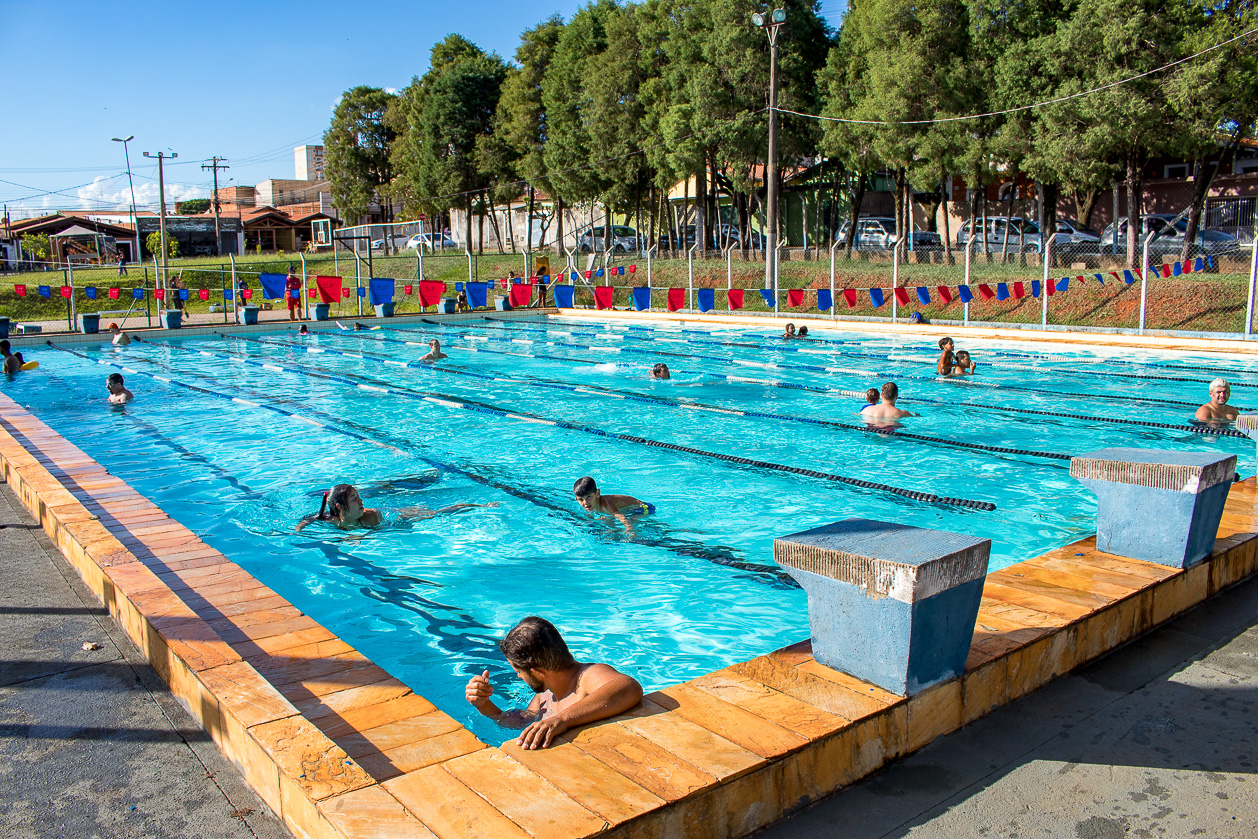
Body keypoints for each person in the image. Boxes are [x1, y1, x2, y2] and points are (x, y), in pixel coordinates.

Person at [464, 616, 643, 750]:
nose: (518, 677)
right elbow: (522, 723)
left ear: (538, 672)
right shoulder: (545, 693)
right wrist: (483, 704)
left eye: (519, 671)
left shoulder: (586, 676)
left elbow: (629, 687)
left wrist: (562, 719)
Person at [297, 482, 497, 531]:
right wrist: (298, 530)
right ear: (339, 507)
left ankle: (477, 505)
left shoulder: (369, 518)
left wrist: (354, 537)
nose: (361, 501)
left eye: (359, 497)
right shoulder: (328, 519)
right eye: (355, 499)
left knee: (436, 514)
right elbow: (308, 520)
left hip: (395, 517)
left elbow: (362, 535)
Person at [573, 476, 654, 527]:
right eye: (581, 499)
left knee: (631, 522)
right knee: (605, 519)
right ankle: (615, 531)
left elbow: (621, 516)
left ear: (597, 493)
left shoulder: (606, 504)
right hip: (629, 510)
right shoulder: (589, 505)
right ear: (576, 499)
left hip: (644, 508)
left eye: (588, 497)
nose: (585, 502)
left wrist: (629, 530)